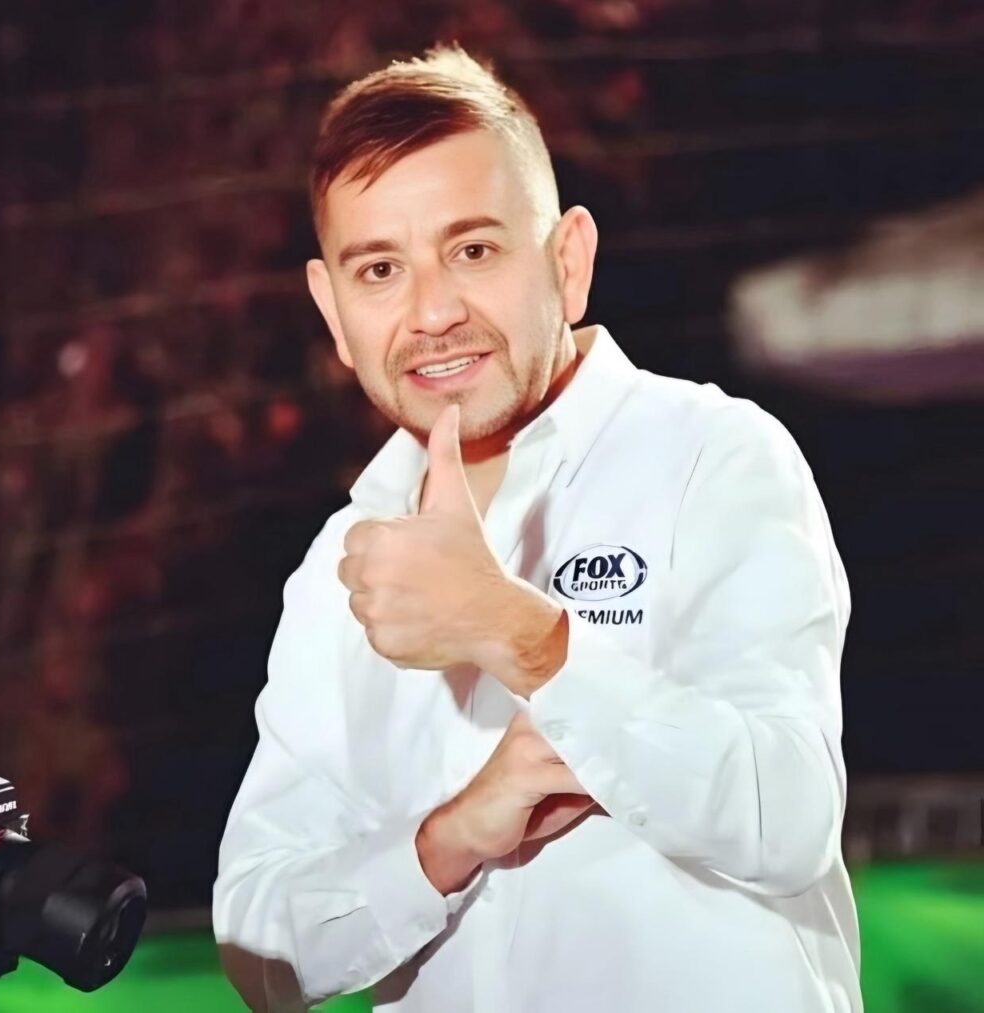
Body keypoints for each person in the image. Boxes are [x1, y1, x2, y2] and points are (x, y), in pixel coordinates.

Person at [212, 43, 862, 1013]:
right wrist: (450, 838)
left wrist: (517, 633)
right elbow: (259, 953)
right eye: (380, 269)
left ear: (568, 260)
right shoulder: (339, 566)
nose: (433, 311)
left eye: (473, 250)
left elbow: (788, 817)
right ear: (333, 312)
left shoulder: (715, 454)